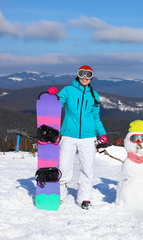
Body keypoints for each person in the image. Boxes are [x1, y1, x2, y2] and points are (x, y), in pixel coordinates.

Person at [47, 65, 107, 210]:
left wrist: (103, 133)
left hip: (88, 137)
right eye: (82, 74)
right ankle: (60, 195)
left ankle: (84, 198)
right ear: (77, 76)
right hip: (68, 135)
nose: (85, 78)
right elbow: (56, 106)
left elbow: (95, 117)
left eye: (88, 75)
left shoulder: (94, 95)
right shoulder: (68, 90)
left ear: (92, 77)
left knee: (88, 169)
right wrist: (52, 98)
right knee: (64, 167)